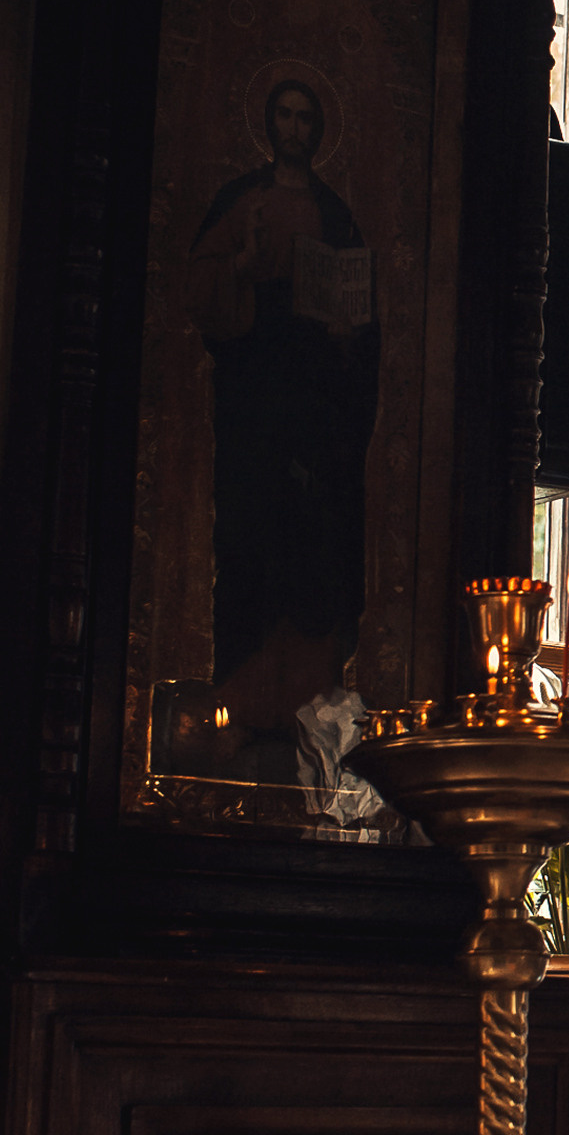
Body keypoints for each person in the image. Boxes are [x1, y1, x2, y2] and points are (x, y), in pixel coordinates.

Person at [183, 75, 379, 746]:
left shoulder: (336, 215)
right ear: (270, 124)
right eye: (286, 116)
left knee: (310, 547)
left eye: (305, 119)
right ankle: (237, 710)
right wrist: (241, 265)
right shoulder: (242, 200)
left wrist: (346, 334)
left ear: (318, 131)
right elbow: (204, 294)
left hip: (313, 407)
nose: (294, 129)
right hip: (254, 399)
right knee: (248, 543)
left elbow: (362, 326)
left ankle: (304, 716)